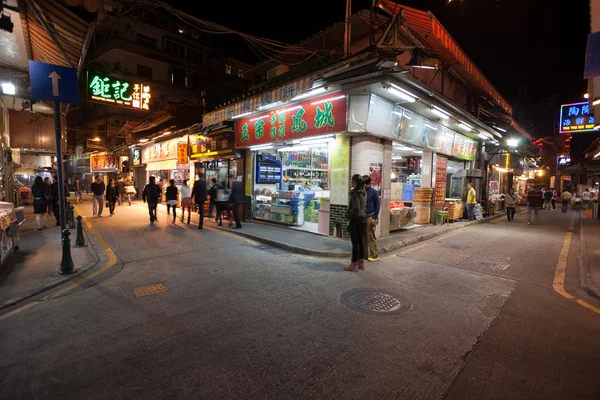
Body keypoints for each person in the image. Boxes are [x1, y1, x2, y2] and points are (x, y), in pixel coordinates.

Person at [344, 174, 368, 272]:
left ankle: (354, 264)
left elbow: (356, 208)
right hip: (363, 219)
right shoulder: (363, 191)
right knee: (361, 241)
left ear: (354, 181)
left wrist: (348, 215)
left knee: (355, 243)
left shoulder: (355, 193)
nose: (350, 182)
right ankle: (361, 263)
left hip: (356, 220)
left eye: (351, 180)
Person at [362, 175, 380, 262]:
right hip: (363, 217)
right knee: (364, 237)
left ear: (367, 183)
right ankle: (365, 255)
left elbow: (378, 205)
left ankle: (374, 255)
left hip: (370, 216)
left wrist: (374, 218)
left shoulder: (373, 192)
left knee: (370, 236)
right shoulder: (362, 191)